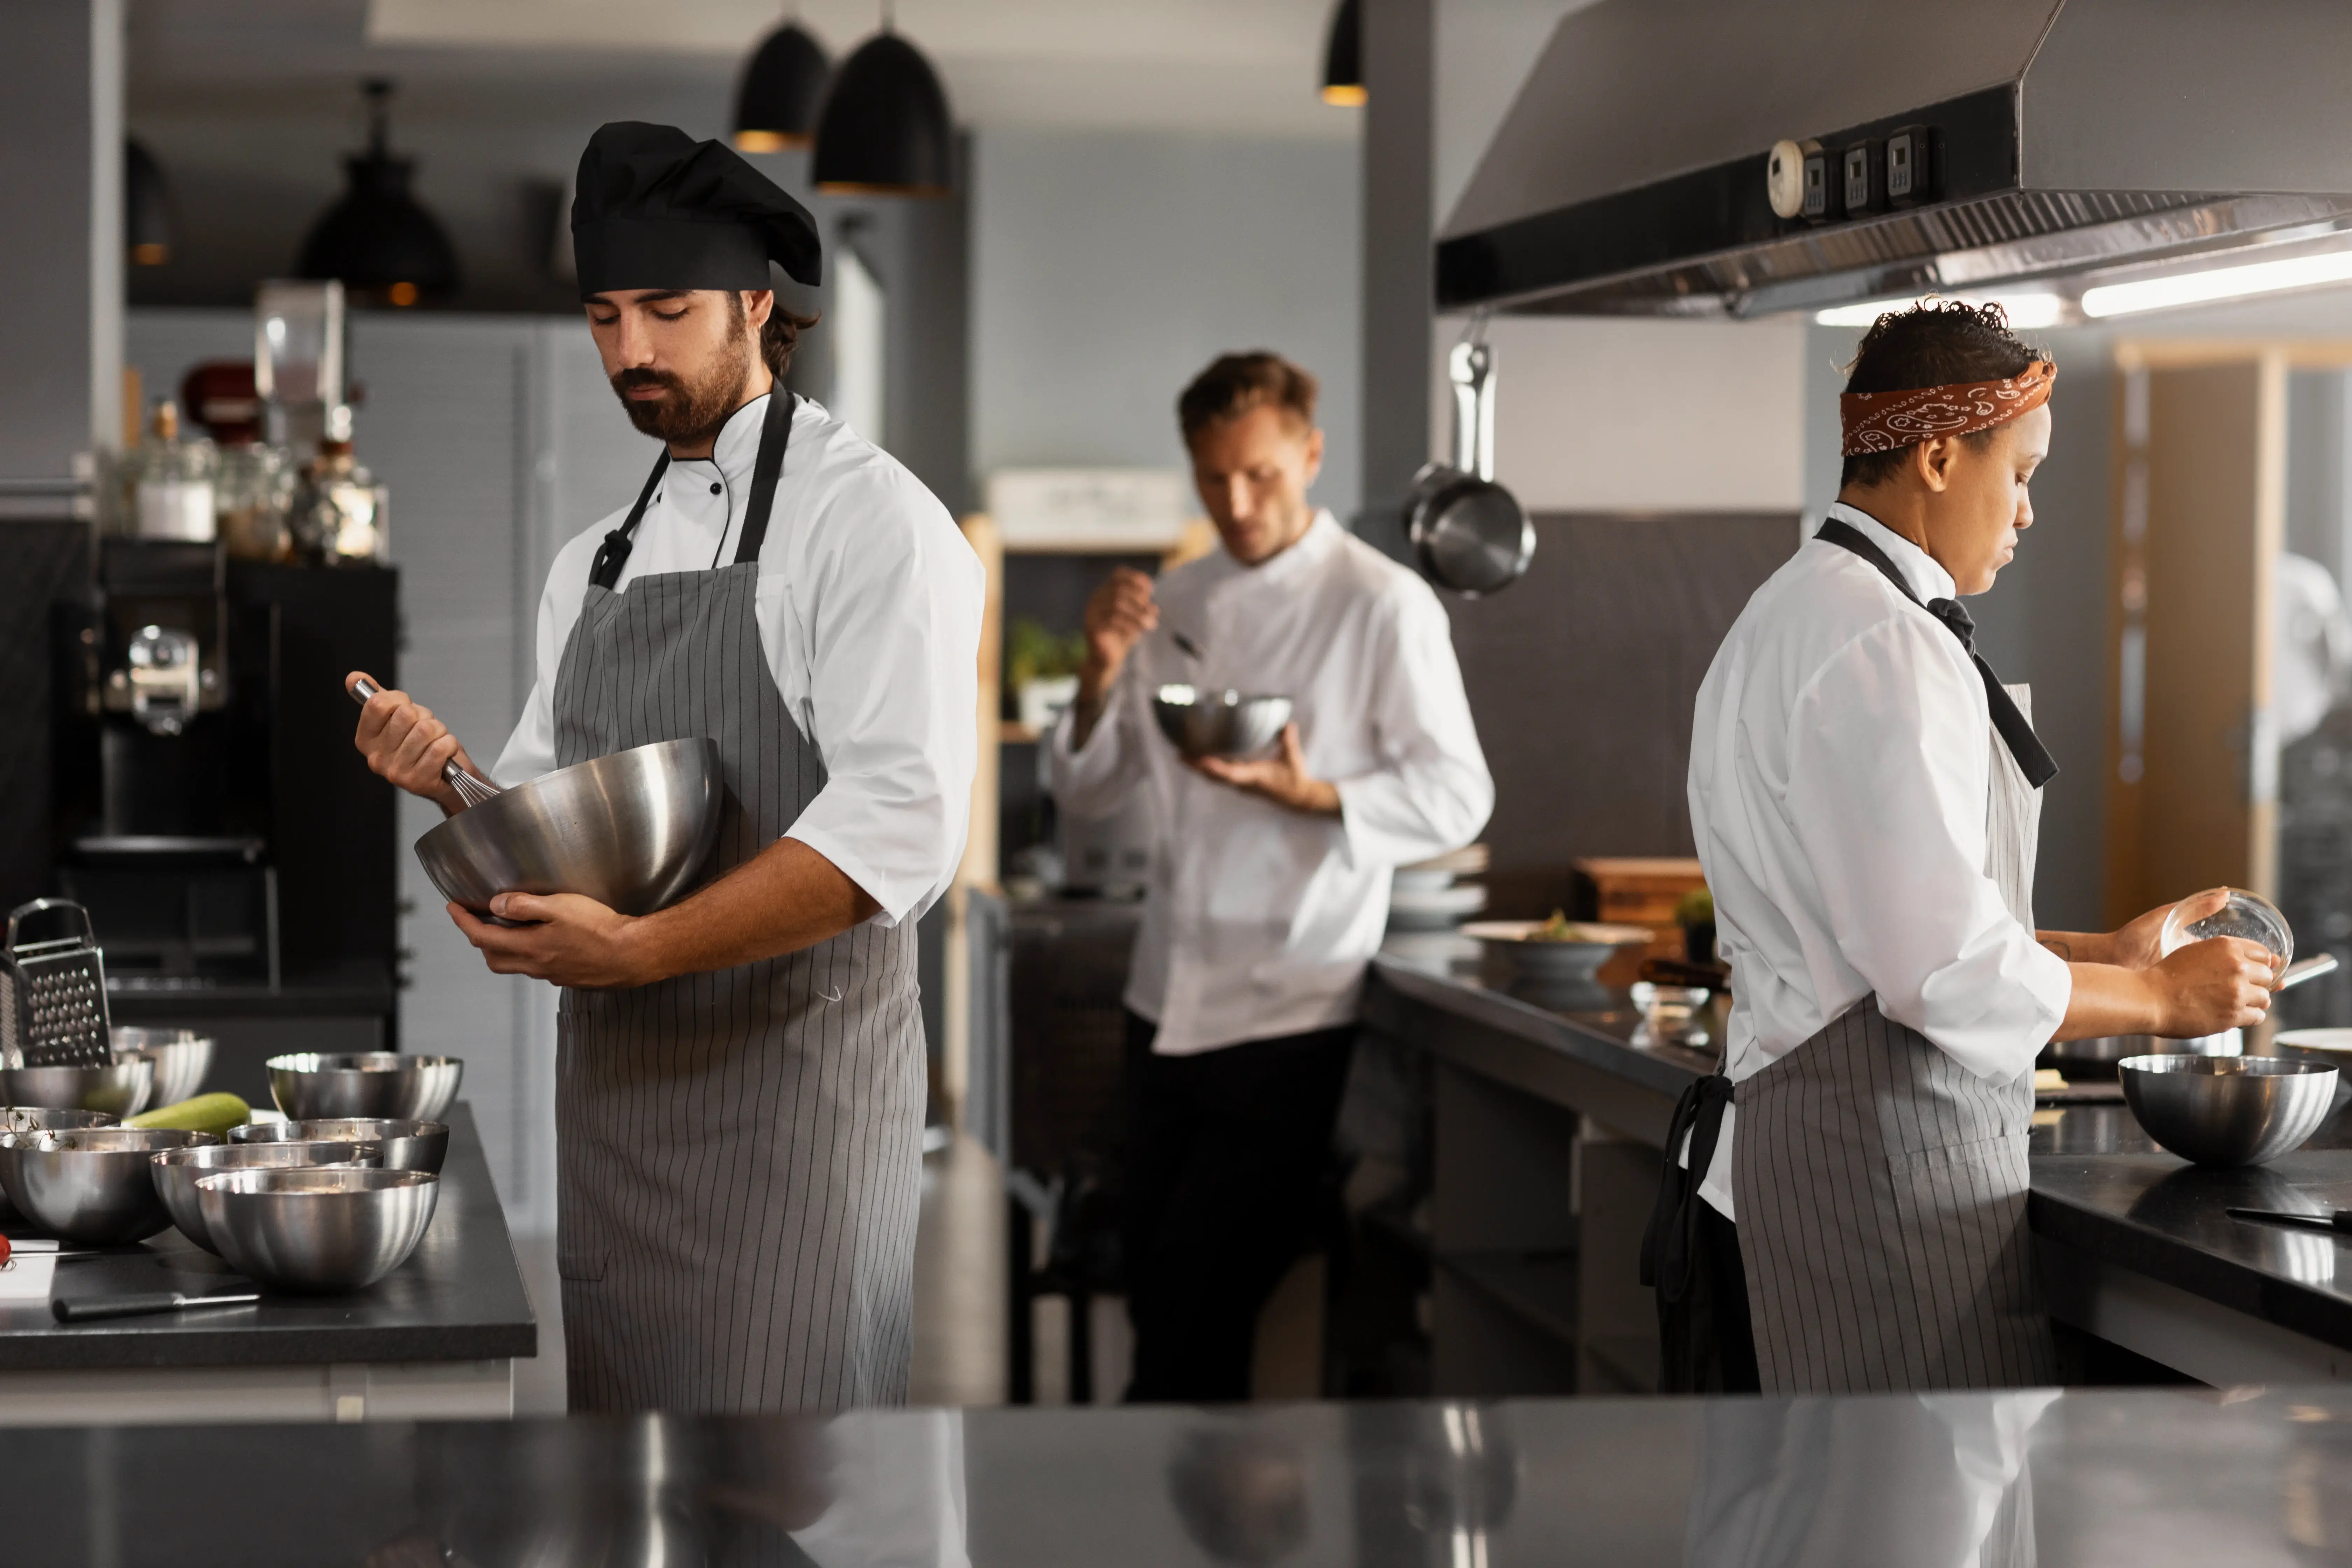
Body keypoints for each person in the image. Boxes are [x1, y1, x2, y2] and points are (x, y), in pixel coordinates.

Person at [346, 121, 982, 1413]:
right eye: (602, 317)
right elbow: (546, 820)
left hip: (794, 1107)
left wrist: (638, 952)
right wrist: (445, 781)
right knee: (635, 1491)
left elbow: (901, 832)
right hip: (625, 1114)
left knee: (788, 1501)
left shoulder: (871, 525)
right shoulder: (596, 561)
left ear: (758, 303)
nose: (630, 352)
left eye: (667, 310)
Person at [1651, 300, 2278, 1394]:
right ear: (1940, 457)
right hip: (1879, 1176)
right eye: (2023, 472)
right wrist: (2169, 1007)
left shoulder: (1792, 610)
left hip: (1805, 1151)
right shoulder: (1888, 644)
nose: (2030, 510)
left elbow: (1887, 925)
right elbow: (1939, 972)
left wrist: (2111, 959)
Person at [1051, 351, 1493, 1401]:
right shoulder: (1174, 599)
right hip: (1164, 998)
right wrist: (1101, 667)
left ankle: (1175, 1520)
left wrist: (1318, 797)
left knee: (1198, 1297)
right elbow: (1092, 789)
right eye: (1213, 480)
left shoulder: (1382, 606)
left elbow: (1459, 794)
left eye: (1260, 476)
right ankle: (1196, 1517)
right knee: (1157, 1289)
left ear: (1311, 454)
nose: (1237, 504)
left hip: (1291, 1000)